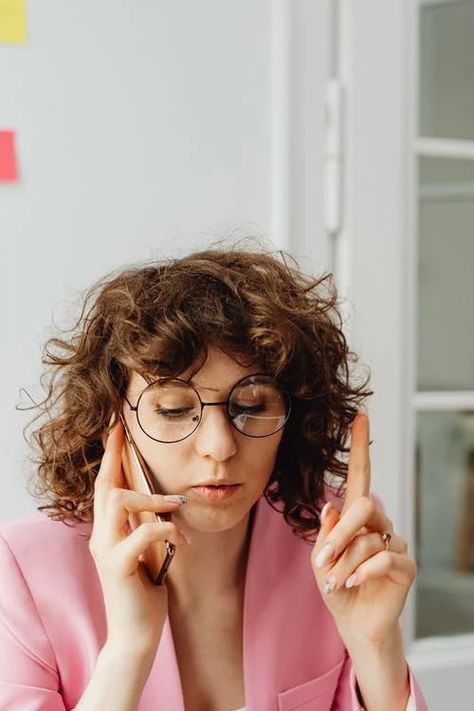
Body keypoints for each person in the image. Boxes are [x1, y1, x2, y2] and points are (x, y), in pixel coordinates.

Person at [0, 243, 428, 710]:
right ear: (112, 423)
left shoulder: (337, 542)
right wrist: (128, 648)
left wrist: (376, 646)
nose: (220, 447)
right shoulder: (22, 572)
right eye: (173, 409)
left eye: (252, 405)